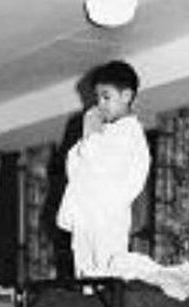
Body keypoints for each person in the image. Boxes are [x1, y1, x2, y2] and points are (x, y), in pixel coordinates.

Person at [57, 60, 151, 277]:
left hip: (107, 218)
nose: (100, 104)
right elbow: (74, 165)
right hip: (87, 217)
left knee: (107, 278)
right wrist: (91, 136)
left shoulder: (130, 134)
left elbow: (97, 162)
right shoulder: (105, 132)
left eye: (106, 97)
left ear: (126, 96)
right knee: (84, 280)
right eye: (98, 97)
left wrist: (90, 131)